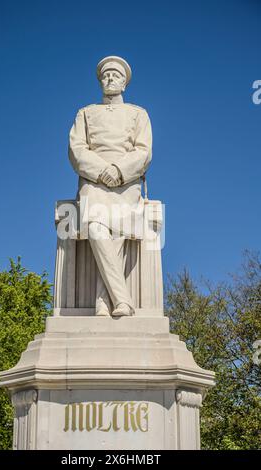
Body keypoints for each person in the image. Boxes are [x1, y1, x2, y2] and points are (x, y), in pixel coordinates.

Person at [68, 56, 152, 317]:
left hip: (126, 182)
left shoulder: (138, 113)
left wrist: (118, 170)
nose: (110, 79)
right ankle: (122, 297)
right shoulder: (85, 112)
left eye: (116, 76)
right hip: (94, 181)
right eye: (106, 76)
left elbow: (143, 150)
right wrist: (101, 170)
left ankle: (104, 301)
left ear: (124, 83)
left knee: (119, 230)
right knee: (95, 227)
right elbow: (76, 149)